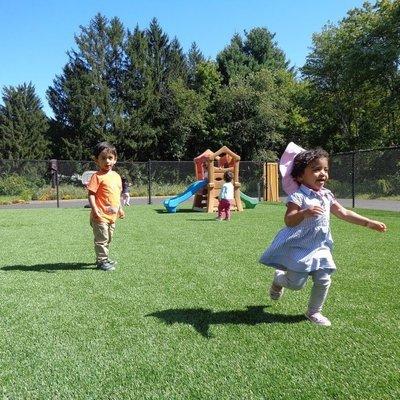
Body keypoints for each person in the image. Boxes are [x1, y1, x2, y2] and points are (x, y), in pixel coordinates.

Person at [259, 142, 387, 326]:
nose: (323, 174)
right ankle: (279, 279)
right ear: (301, 175)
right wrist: (304, 213)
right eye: (316, 169)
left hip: (320, 246)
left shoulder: (327, 195)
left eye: (325, 169)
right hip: (300, 247)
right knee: (296, 284)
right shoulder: (298, 197)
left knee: (324, 278)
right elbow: (289, 220)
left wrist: (368, 222)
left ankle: (313, 312)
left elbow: (343, 213)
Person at [87, 142, 125, 271]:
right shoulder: (96, 177)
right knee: (102, 238)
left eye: (110, 158)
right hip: (100, 215)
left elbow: (117, 194)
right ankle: (102, 261)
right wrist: (95, 209)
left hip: (112, 216)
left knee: (108, 238)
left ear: (115, 159)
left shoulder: (116, 176)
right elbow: (91, 195)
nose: (107, 161)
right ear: (96, 160)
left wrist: (120, 208)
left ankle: (104, 258)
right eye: (103, 158)